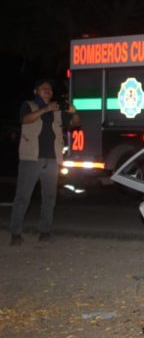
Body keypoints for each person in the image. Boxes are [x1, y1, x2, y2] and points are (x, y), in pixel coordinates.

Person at [8, 79, 80, 245]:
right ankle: (15, 233)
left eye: (49, 89)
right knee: (23, 197)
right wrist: (45, 109)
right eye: (43, 88)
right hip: (31, 158)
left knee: (49, 197)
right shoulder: (29, 105)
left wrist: (74, 112)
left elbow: (75, 124)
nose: (47, 91)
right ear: (35, 91)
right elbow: (25, 120)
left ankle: (45, 231)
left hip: (52, 159)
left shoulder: (57, 111)